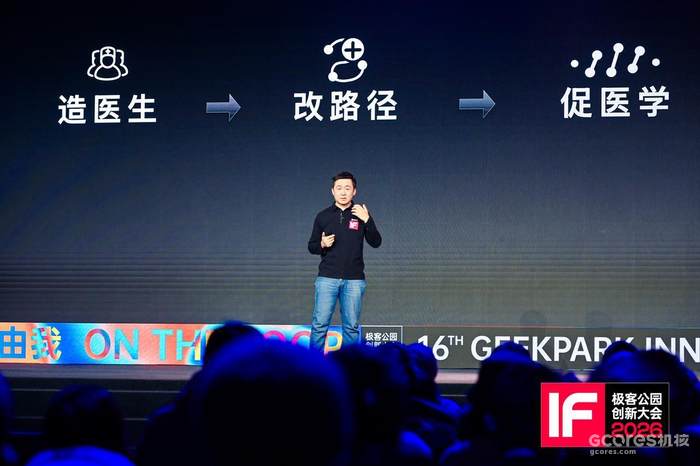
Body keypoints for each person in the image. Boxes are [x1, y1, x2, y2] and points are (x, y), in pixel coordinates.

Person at [308, 171, 382, 351]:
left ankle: (350, 366)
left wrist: (367, 220)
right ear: (332, 191)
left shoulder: (361, 214)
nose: (343, 192)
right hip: (327, 278)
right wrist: (322, 244)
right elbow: (312, 246)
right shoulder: (323, 216)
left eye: (347, 188)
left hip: (354, 280)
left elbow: (376, 242)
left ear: (354, 191)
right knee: (319, 325)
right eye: (339, 188)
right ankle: (313, 365)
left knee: (351, 328)